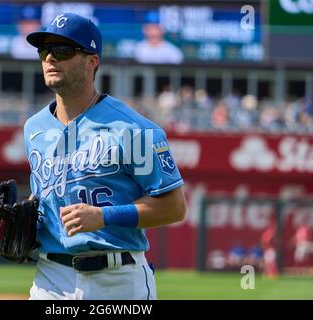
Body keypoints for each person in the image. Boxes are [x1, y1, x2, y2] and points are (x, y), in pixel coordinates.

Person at [24, 13, 187, 300]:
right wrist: (26, 224)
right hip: (50, 279)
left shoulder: (133, 129)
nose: (50, 58)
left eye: (62, 50)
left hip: (117, 280)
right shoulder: (33, 128)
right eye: (44, 50)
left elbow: (174, 207)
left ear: (92, 61)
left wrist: (103, 216)